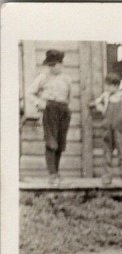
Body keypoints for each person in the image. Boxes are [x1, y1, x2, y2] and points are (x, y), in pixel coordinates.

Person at [26, 49, 72, 185]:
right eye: (50, 65)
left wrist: (67, 110)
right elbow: (29, 93)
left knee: (60, 142)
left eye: (54, 65)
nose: (52, 68)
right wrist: (40, 103)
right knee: (51, 141)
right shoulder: (43, 77)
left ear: (61, 64)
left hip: (63, 109)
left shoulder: (67, 79)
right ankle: (51, 174)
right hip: (50, 109)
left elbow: (70, 97)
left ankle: (57, 173)